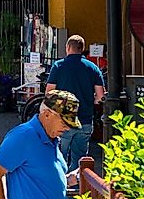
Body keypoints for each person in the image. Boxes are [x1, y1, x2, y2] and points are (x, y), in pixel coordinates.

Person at [45, 35, 106, 175]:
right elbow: (101, 96)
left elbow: (49, 93)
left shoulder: (58, 66)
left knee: (59, 157)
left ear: (67, 48)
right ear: (82, 49)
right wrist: (93, 101)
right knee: (79, 160)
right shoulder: (93, 68)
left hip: (62, 121)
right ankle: (77, 189)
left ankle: (60, 188)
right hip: (84, 120)